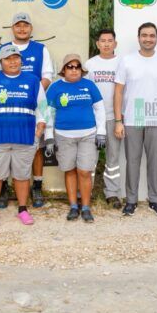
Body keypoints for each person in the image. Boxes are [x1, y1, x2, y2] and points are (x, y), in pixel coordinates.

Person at [0, 44, 51, 227]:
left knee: (22, 175)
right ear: (1, 62)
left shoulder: (33, 81)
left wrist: (38, 132)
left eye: (16, 58)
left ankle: (22, 209)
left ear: (21, 60)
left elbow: (43, 109)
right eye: (7, 59)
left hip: (25, 137)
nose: (12, 61)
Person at [113, 22, 157, 217]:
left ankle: (155, 200)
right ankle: (131, 201)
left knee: (154, 162)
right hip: (134, 115)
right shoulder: (127, 60)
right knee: (132, 162)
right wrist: (118, 121)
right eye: (144, 35)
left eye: (151, 35)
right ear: (138, 37)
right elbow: (118, 92)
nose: (148, 39)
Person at [0, 12, 54, 208]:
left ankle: (36, 186)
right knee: (5, 145)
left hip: (32, 106)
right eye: (18, 25)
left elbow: (47, 76)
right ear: (12, 28)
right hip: (7, 107)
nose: (22, 29)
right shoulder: (0, 50)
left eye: (25, 25)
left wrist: (32, 96)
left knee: (35, 146)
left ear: (31, 28)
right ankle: (3, 187)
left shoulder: (40, 49)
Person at [46, 54, 105, 222]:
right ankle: (73, 206)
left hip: (88, 135)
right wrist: (49, 137)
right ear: (64, 70)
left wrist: (101, 132)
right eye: (70, 67)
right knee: (70, 170)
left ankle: (86, 207)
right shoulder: (55, 87)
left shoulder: (89, 85)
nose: (74, 70)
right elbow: (49, 113)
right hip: (64, 136)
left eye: (77, 66)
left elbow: (99, 109)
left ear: (81, 70)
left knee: (84, 171)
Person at [85, 29, 124, 208]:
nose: (107, 44)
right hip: (93, 119)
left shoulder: (122, 63)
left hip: (114, 117)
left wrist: (120, 118)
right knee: (89, 157)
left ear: (115, 44)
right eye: (103, 40)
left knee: (113, 158)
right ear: (97, 44)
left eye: (110, 40)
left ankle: (112, 193)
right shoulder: (89, 64)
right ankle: (87, 192)